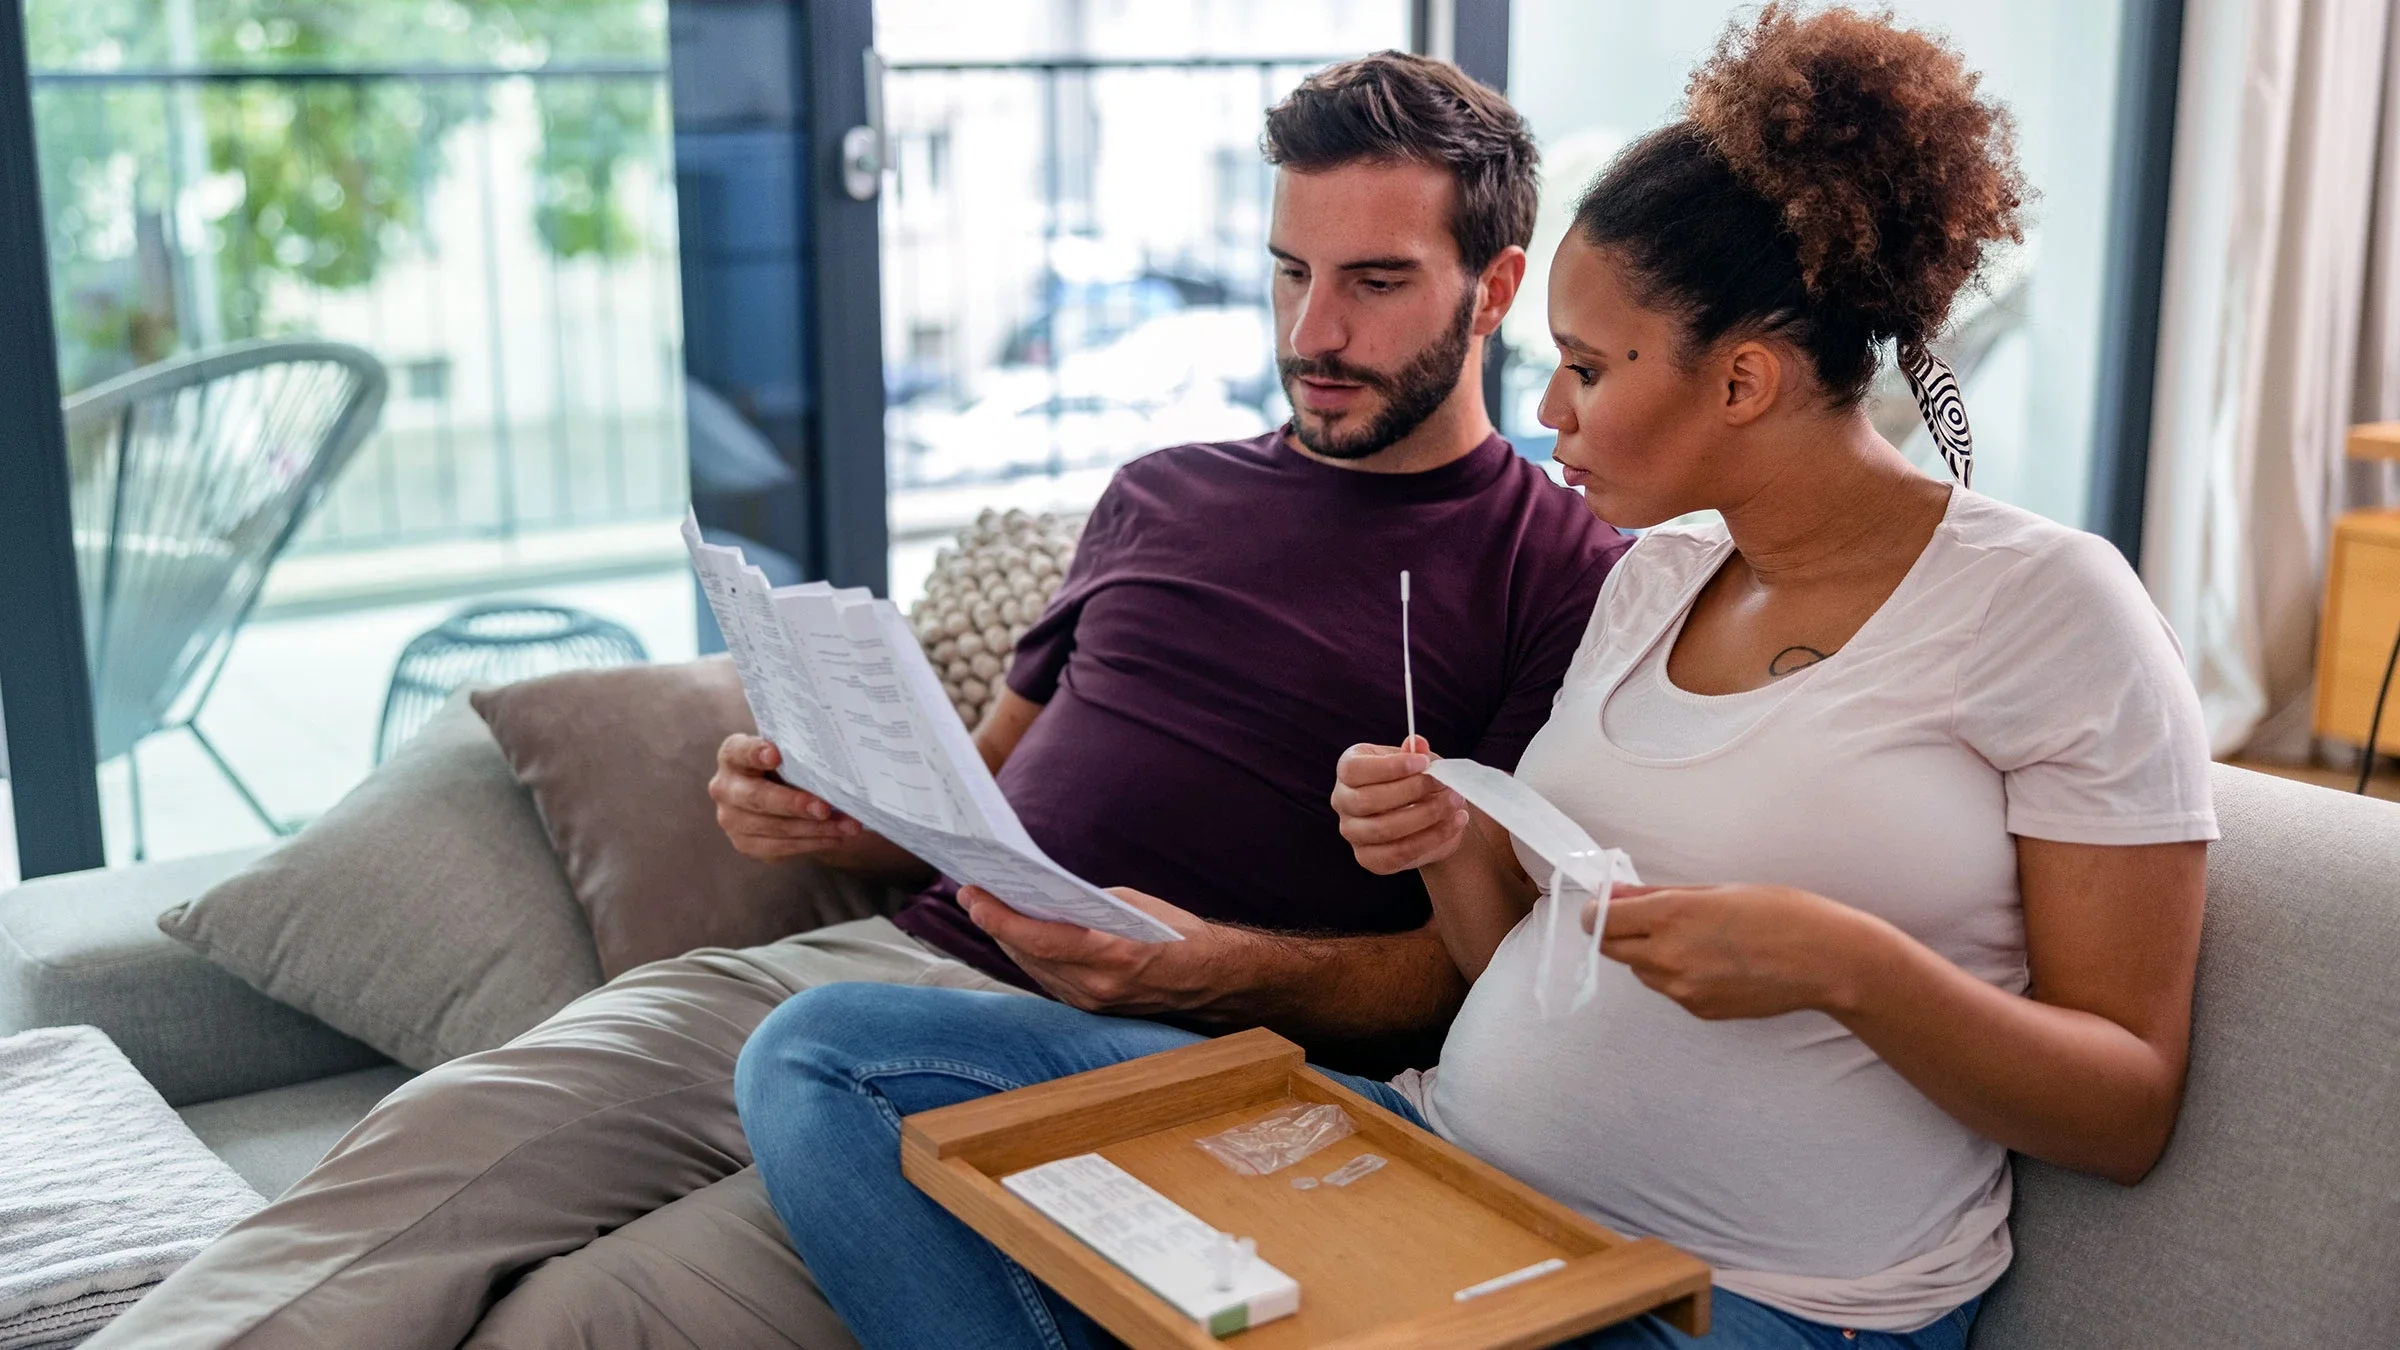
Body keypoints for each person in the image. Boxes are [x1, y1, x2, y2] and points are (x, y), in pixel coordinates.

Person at [90, 53, 1628, 1350]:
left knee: (580, 1317)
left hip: (1130, 1067)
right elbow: (987, 796)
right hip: (875, 967)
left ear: (1494, 286)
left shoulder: (1557, 573)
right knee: (442, 1143)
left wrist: (1204, 968)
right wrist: (844, 809)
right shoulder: (1160, 492)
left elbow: (1474, 976)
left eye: (1374, 283)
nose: (1312, 334)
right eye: (1289, 273)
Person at [734, 9, 2216, 1349]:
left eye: (1589, 368)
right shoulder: (1652, 582)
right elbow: (1508, 955)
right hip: (1430, 1169)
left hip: (1746, 1297)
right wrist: (1450, 844)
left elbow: (2126, 1108)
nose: (1547, 406)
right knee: (823, 1058)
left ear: (1743, 380)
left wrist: (1849, 966)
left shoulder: (2050, 609)